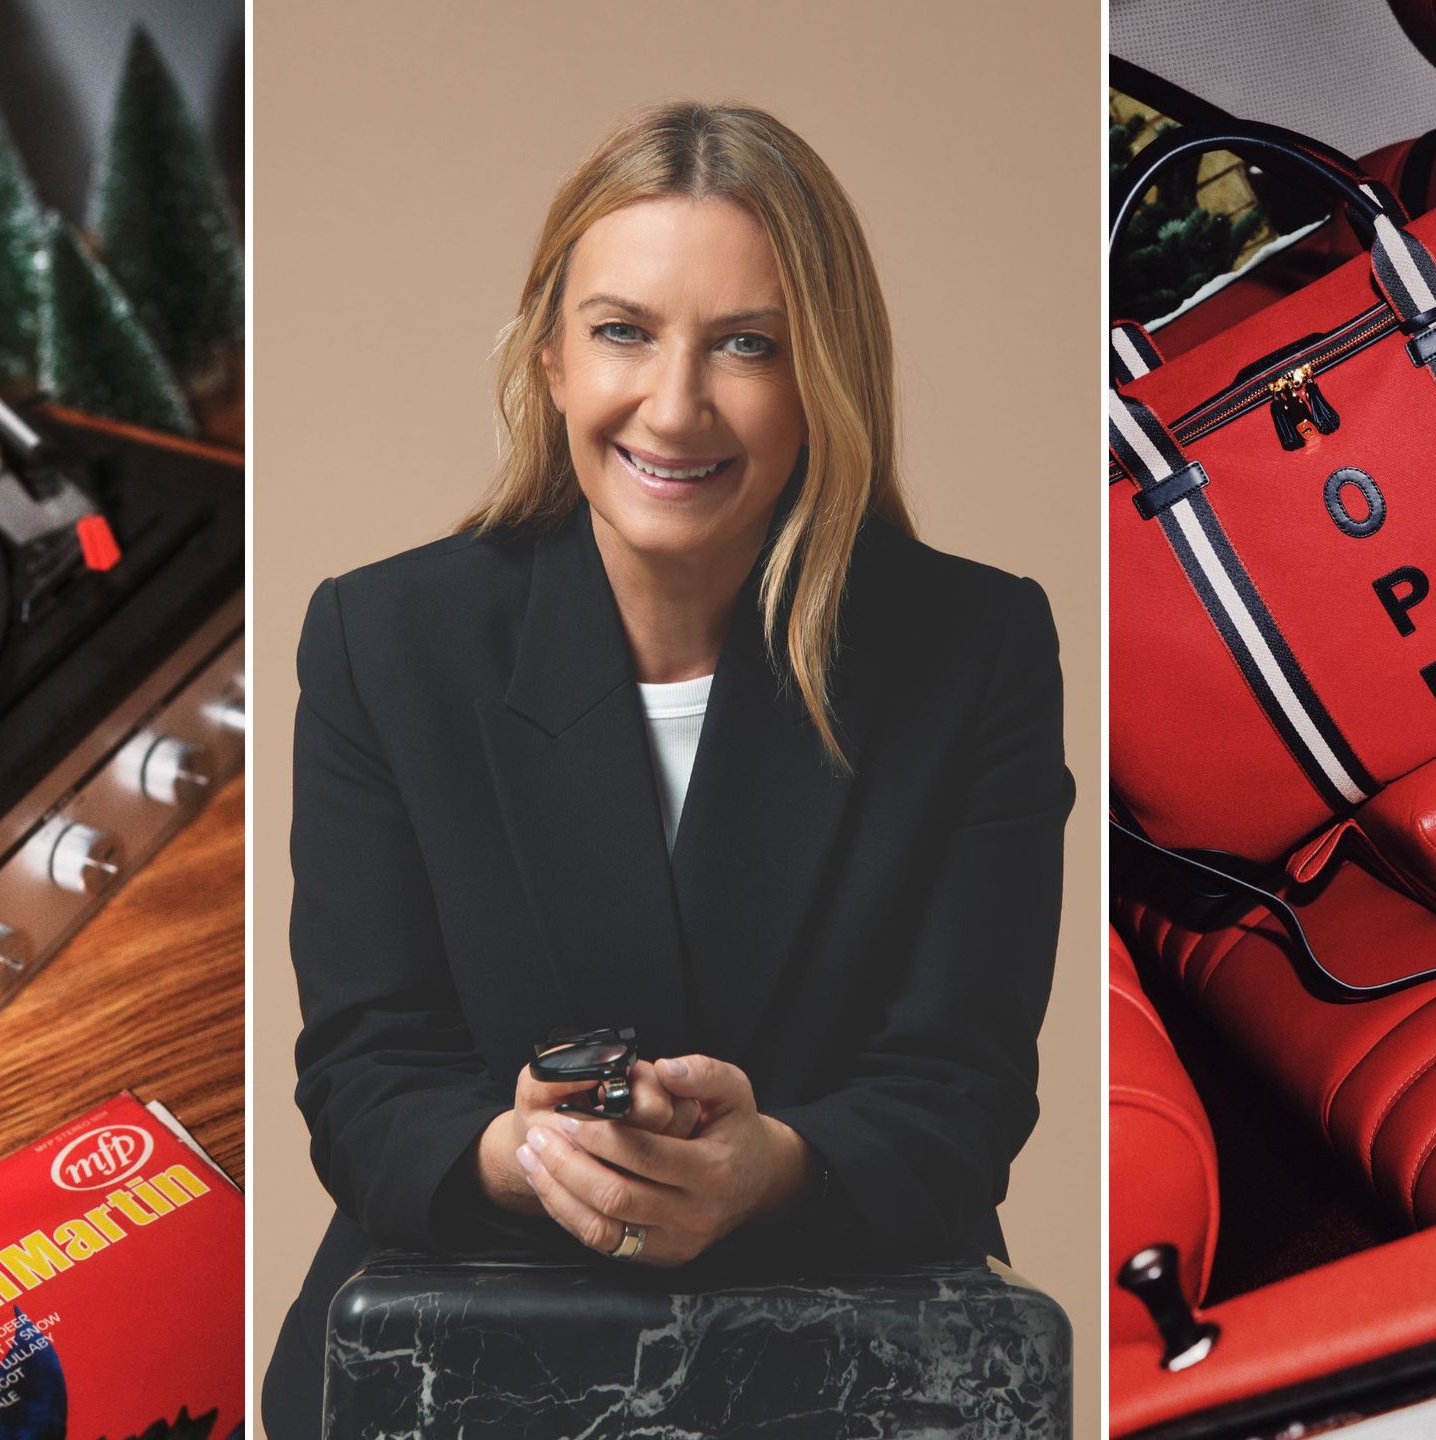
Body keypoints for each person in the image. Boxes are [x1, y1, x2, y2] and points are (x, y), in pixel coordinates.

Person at [264, 100, 1072, 1434]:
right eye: (623, 332)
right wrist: (520, 1154)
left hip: (833, 1362)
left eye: (746, 345)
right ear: (550, 360)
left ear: (824, 375)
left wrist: (775, 1169)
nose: (675, 404)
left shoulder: (974, 646)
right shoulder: (384, 637)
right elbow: (365, 1071)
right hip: (452, 1356)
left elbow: (963, 1086)